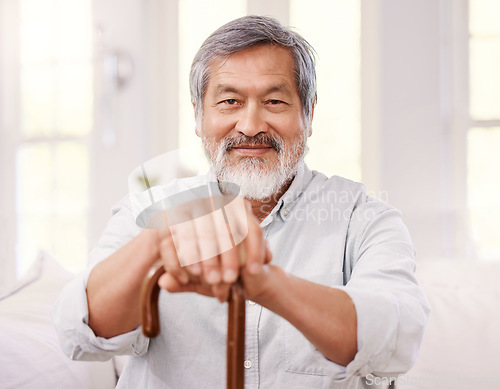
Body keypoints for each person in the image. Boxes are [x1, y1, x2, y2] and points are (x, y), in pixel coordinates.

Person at [53, 15, 430, 388]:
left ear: (309, 114)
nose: (250, 126)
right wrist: (158, 239)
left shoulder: (362, 219)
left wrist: (266, 284)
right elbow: (78, 333)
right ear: (199, 118)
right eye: (230, 101)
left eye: (275, 101)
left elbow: (396, 341)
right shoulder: (147, 210)